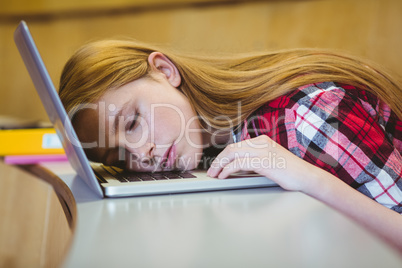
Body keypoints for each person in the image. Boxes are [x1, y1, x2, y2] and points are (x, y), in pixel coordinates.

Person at [58, 39, 402, 252]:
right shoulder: (215, 139)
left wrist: (311, 180)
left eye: (133, 122)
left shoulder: (308, 119)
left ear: (164, 70)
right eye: (119, 155)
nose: (141, 154)